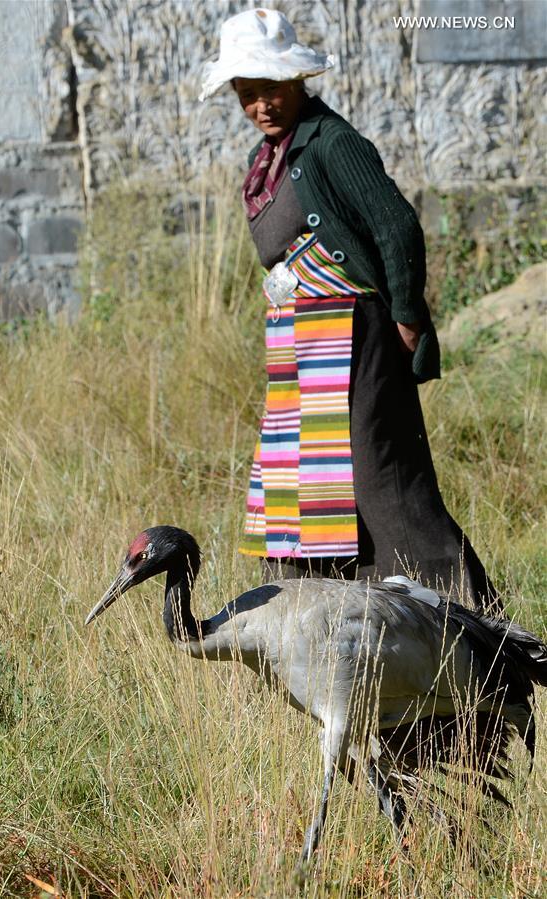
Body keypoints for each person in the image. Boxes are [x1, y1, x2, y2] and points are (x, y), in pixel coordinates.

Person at [200, 8, 498, 610]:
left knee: (384, 482)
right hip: (303, 342)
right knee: (314, 487)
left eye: (272, 89)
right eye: (248, 94)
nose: (262, 105)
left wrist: (408, 315)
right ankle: (346, 621)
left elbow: (397, 226)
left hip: (357, 335)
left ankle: (472, 627)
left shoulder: (332, 143)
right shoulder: (271, 156)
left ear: (297, 82)